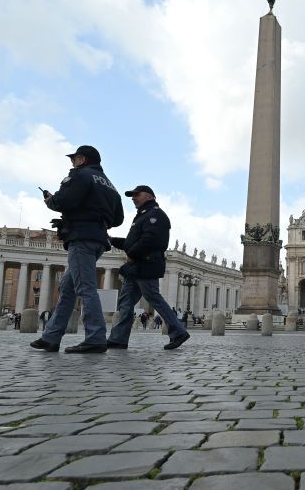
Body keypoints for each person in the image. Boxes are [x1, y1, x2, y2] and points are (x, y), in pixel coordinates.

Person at [30, 145, 124, 353]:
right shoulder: (110, 185)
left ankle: (95, 337)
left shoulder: (80, 176)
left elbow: (63, 201)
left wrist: (50, 200)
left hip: (81, 236)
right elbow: (118, 218)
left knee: (85, 288)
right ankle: (51, 337)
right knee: (68, 289)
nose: (71, 163)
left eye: (73, 159)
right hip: (98, 238)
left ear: (81, 159)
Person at [105, 185, 190, 351]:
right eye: (132, 195)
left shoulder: (156, 215)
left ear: (150, 196)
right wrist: (113, 240)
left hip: (146, 264)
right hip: (136, 266)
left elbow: (151, 240)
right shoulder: (142, 216)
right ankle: (118, 339)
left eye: (137, 194)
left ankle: (178, 331)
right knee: (126, 302)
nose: (133, 198)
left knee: (153, 297)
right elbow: (132, 243)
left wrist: (132, 254)